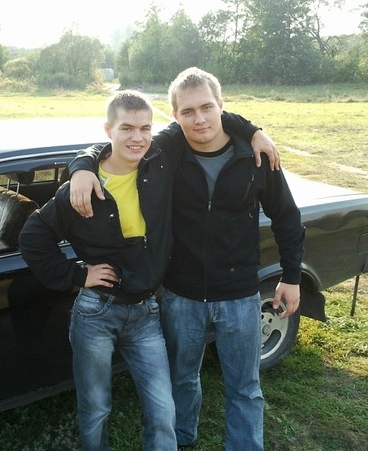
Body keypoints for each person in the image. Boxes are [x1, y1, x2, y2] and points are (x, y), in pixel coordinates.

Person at [68, 68, 305, 450]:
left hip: (240, 295)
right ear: (175, 116)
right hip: (182, 295)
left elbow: (287, 217)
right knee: (181, 379)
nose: (200, 119)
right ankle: (181, 439)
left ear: (221, 106)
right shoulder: (168, 151)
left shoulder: (255, 156)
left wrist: (291, 276)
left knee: (245, 387)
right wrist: (81, 166)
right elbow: (118, 143)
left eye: (207, 107)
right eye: (188, 112)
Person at [19, 90, 178, 450]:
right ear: (108, 130)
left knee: (163, 407)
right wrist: (78, 275)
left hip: (146, 312)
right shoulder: (82, 190)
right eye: (127, 128)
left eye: (145, 128)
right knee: (95, 407)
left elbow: (203, 118)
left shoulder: (159, 165)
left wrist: (254, 133)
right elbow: (32, 237)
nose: (138, 138)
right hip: (96, 314)